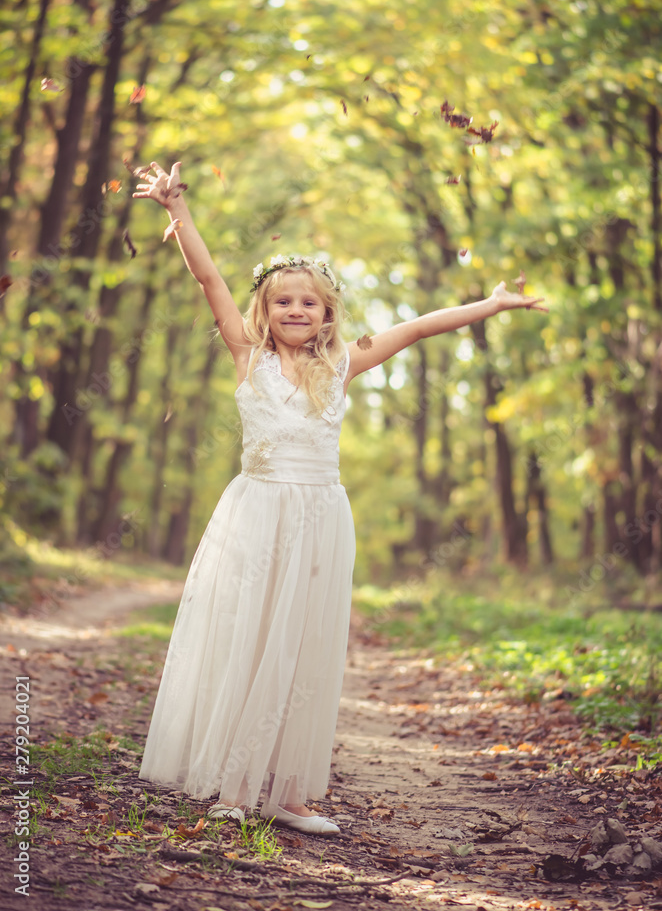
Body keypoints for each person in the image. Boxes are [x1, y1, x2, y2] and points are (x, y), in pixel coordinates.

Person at [134, 161, 547, 836]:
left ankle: (292, 791)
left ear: (328, 312)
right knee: (251, 638)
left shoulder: (341, 364)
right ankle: (235, 784)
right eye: (282, 301)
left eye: (309, 302)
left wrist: (491, 305)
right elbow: (208, 277)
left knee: (304, 648)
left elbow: (415, 328)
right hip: (259, 513)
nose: (295, 310)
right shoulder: (248, 356)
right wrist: (177, 209)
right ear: (264, 311)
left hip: (322, 517)